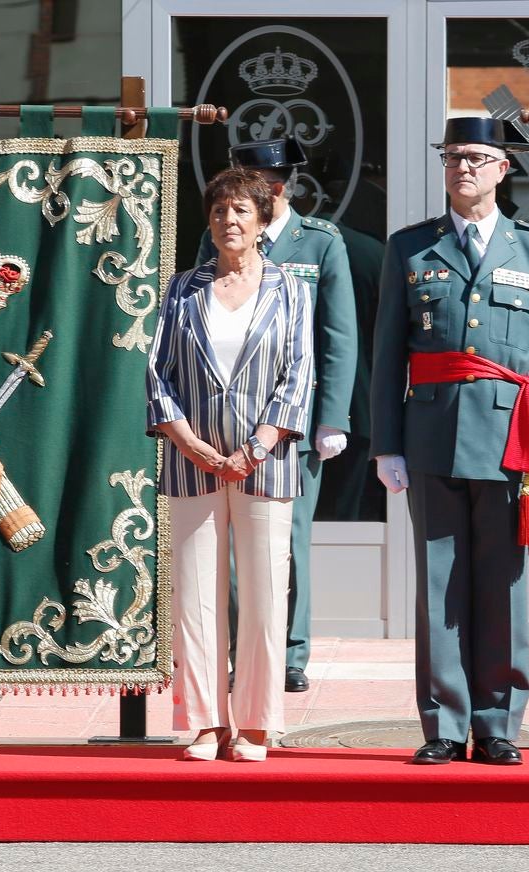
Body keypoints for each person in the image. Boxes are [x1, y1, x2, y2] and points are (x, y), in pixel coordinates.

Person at [369, 118, 529, 765]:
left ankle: (497, 723)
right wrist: (386, 444)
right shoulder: (409, 250)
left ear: (501, 169)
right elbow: (385, 356)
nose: (463, 168)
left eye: (477, 158)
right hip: (431, 434)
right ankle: (443, 725)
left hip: (513, 442)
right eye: (454, 157)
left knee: (502, 583)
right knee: (439, 586)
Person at [148, 166, 313, 761]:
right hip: (193, 459)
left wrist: (257, 446)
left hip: (264, 462)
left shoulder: (291, 288)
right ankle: (203, 721)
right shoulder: (182, 288)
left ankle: (257, 722)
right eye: (220, 211)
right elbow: (158, 373)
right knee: (195, 593)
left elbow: (300, 375)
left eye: (242, 210)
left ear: (264, 219)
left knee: (267, 593)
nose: (229, 221)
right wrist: (189, 442)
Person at [196, 137, 356, 693]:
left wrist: (332, 415)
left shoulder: (319, 242)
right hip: (226, 416)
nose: (253, 193)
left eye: (265, 182)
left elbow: (338, 336)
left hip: (293, 420)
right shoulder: (216, 238)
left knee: (289, 542)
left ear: (282, 184)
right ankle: (241, 648)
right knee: (235, 550)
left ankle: (290, 651)